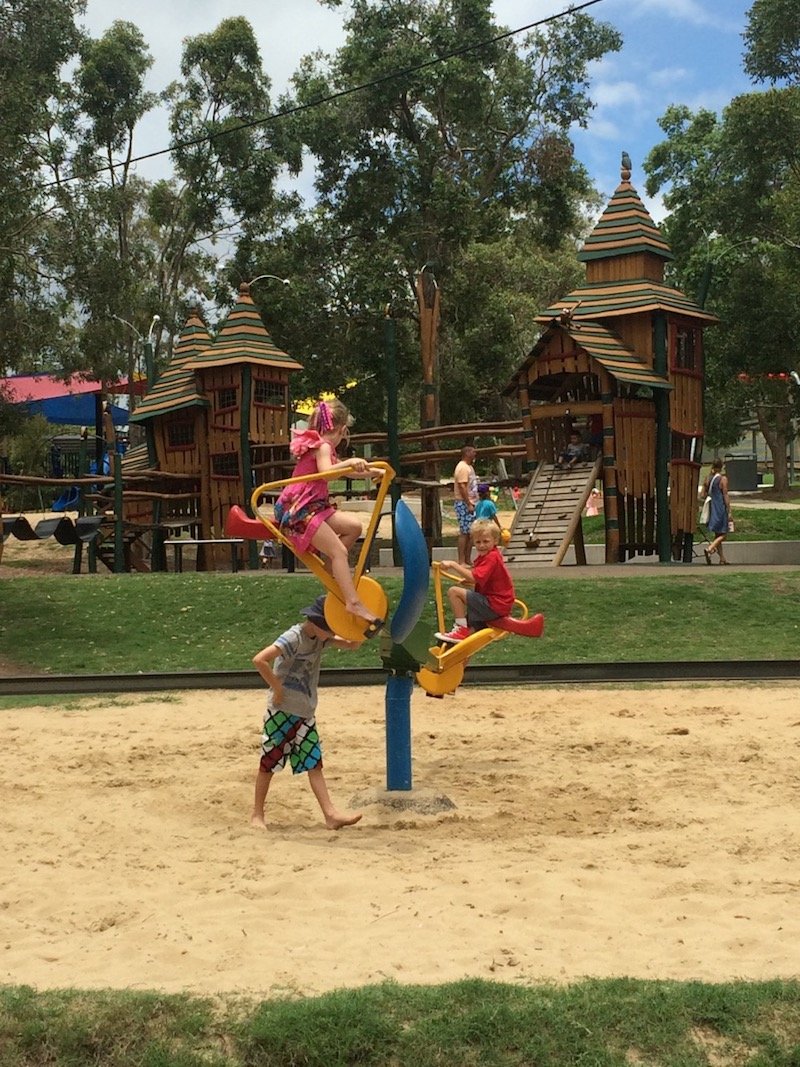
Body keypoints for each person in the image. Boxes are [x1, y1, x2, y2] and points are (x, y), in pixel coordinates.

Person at [251, 595, 363, 831]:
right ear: (315, 623)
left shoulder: (321, 639)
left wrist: (361, 625)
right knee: (269, 763)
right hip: (281, 712)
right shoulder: (294, 637)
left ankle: (330, 814)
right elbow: (260, 660)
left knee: (314, 763)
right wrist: (277, 688)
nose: (332, 633)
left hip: (305, 711)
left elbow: (352, 644)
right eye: (329, 627)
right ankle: (257, 814)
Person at [274, 399, 384, 636]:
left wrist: (373, 470)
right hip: (300, 511)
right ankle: (352, 602)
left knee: (353, 526)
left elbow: (340, 470)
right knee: (340, 551)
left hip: (314, 505)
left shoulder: (322, 445)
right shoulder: (323, 447)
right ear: (344, 430)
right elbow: (327, 472)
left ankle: (332, 571)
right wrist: (351, 462)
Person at [434, 519, 516, 644]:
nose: (481, 545)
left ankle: (461, 629)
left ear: (495, 541)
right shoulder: (487, 557)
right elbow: (482, 579)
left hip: (495, 604)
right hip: (495, 602)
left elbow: (474, 577)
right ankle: (460, 656)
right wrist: (470, 581)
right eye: (478, 542)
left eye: (486, 541)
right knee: (469, 642)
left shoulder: (491, 557)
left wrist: (453, 565)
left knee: (454, 592)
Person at [701, 457, 732, 565]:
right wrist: (729, 510)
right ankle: (710, 548)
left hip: (712, 507)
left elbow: (702, 494)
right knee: (724, 534)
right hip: (720, 507)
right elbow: (725, 495)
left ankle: (722, 558)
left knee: (717, 534)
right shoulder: (723, 479)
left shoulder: (708, 478)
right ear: (721, 466)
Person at [452, 443, 478, 565]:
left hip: (472, 502)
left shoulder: (469, 467)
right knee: (464, 532)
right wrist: (468, 503)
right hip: (463, 503)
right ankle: (461, 560)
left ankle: (467, 559)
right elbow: (462, 486)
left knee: (471, 532)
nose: (475, 454)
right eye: (473, 452)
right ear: (467, 453)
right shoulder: (462, 467)